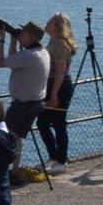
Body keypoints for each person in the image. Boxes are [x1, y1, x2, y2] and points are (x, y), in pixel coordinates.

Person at [0, 21, 50, 182]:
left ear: (32, 37)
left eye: (23, 33)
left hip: (22, 105)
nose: (20, 35)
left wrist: (2, 39)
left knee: (4, 137)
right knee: (16, 138)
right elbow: (14, 62)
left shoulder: (27, 56)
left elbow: (0, 62)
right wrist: (14, 40)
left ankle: (1, 172)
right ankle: (14, 171)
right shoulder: (42, 52)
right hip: (36, 103)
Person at [35, 13, 78, 174]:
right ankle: (54, 157)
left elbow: (60, 71)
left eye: (50, 21)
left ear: (57, 26)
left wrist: (54, 95)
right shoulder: (53, 41)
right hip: (52, 84)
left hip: (58, 85)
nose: (46, 23)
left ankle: (61, 160)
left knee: (57, 123)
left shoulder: (59, 44)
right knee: (45, 123)